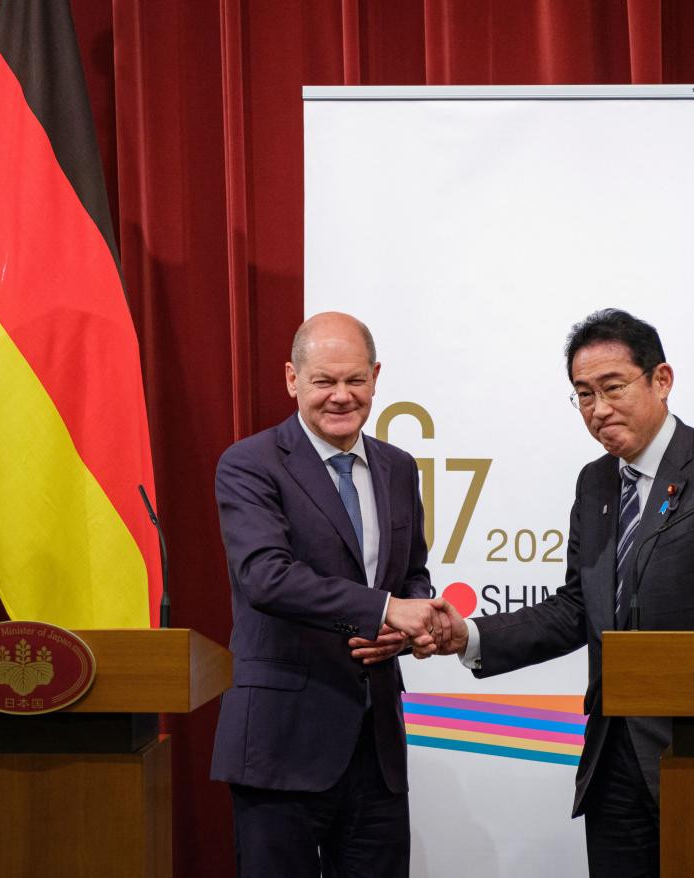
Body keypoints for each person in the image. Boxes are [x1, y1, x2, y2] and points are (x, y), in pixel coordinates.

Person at [352, 307, 694, 877]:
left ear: (661, 380)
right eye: (583, 394)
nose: (599, 409)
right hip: (612, 759)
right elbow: (577, 609)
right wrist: (467, 634)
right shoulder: (596, 483)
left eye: (613, 388)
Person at [212, 311, 449, 878]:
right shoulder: (249, 464)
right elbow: (266, 577)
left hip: (377, 750)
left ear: (375, 377)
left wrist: (401, 628)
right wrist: (385, 609)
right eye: (324, 382)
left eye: (355, 380)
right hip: (280, 743)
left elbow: (411, 573)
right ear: (293, 379)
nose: (342, 397)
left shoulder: (397, 467)